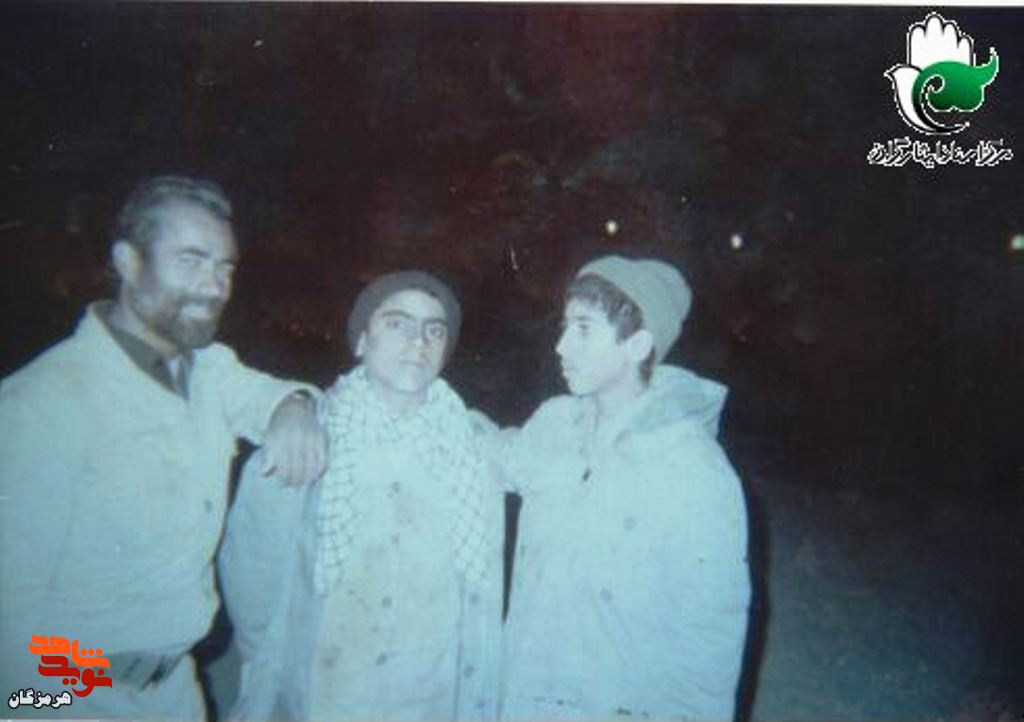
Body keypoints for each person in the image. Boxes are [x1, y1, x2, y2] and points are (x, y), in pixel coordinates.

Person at [0, 175, 327, 719]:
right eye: (190, 261)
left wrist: (293, 406)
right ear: (128, 262)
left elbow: (267, 394)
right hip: (73, 695)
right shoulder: (41, 405)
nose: (214, 286)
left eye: (225, 267)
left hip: (175, 689)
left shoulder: (207, 370)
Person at [219, 270, 503, 721]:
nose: (418, 341)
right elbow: (250, 578)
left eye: (434, 330)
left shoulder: (476, 448)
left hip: (429, 702)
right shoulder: (304, 437)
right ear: (361, 341)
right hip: (325, 698)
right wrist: (279, 673)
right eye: (398, 323)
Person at [498, 255, 751, 721]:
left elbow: (708, 639)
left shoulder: (694, 471)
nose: (561, 345)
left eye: (584, 329)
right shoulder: (555, 422)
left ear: (638, 344)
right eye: (565, 326)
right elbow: (494, 455)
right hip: (525, 699)